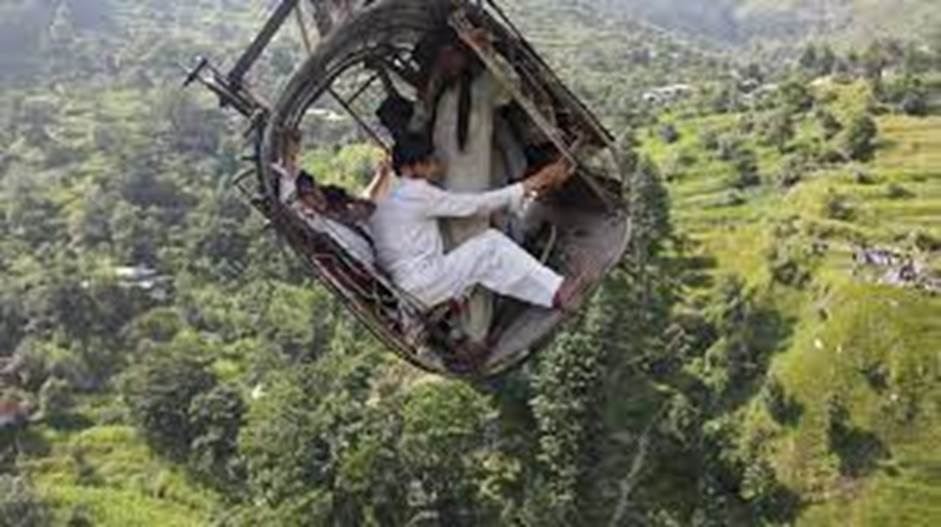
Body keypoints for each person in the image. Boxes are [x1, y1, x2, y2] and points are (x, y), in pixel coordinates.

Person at [369, 134, 588, 316]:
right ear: (409, 169)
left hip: (407, 290)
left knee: (482, 264)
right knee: (490, 245)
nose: (437, 165)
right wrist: (528, 184)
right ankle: (559, 290)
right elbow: (472, 206)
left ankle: (549, 295)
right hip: (423, 283)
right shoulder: (414, 192)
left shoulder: (385, 199)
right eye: (429, 162)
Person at [417, 27, 526, 343]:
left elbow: (511, 83)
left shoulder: (480, 90)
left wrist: (487, 51)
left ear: (464, 56)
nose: (447, 62)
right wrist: (429, 90)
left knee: (475, 263)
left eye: (452, 55)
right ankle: (461, 326)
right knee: (452, 264)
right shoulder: (440, 98)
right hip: (442, 200)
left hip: (471, 196)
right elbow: (417, 127)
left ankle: (477, 334)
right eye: (442, 58)